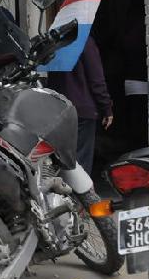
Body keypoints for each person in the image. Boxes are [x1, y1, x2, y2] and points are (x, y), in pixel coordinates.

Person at [47, 35, 113, 175]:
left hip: (57, 109)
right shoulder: (84, 40)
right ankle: (79, 195)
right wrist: (106, 108)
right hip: (82, 110)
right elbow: (96, 79)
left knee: (63, 160)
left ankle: (64, 194)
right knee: (80, 163)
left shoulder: (54, 41)